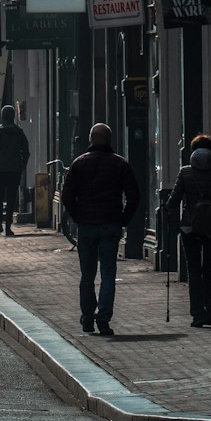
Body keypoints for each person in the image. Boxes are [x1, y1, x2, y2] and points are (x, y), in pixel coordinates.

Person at [62, 123, 141, 335]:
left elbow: (67, 195)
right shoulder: (119, 164)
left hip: (87, 226)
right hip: (110, 224)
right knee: (108, 273)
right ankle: (103, 319)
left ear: (90, 140)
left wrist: (77, 215)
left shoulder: (78, 164)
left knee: (87, 274)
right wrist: (123, 219)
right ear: (109, 140)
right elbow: (134, 195)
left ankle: (87, 317)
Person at [166, 134, 211, 327]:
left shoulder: (185, 173)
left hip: (189, 227)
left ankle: (197, 314)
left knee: (193, 269)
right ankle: (209, 308)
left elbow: (173, 201)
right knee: (209, 269)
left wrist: (169, 209)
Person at [0, 105, 30, 236]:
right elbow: (26, 152)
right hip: (14, 171)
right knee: (11, 198)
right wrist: (21, 166)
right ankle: (8, 227)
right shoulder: (19, 133)